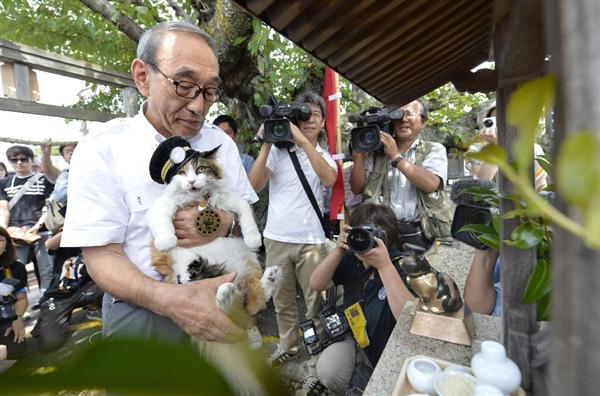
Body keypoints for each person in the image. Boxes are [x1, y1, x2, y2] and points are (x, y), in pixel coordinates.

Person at [61, 21, 257, 344]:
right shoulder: (102, 149)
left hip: (224, 292)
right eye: (183, 85)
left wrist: (226, 221)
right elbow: (100, 256)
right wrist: (172, 302)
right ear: (143, 77)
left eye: (209, 91)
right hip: (141, 312)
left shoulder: (221, 144)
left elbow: (244, 216)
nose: (198, 105)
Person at [248, 91, 338, 389]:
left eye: (316, 114)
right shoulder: (277, 151)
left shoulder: (322, 155)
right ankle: (289, 347)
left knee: (315, 306)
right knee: (282, 302)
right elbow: (254, 186)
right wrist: (266, 144)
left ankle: (316, 365)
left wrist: (301, 141)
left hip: (311, 242)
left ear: (324, 122)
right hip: (276, 238)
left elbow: (329, 179)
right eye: (305, 114)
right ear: (294, 118)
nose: (310, 119)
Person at [310, 203, 414, 394]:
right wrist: (339, 250)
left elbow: (409, 318)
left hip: (391, 347)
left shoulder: (402, 264)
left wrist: (384, 266)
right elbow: (316, 284)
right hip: (359, 341)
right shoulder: (351, 259)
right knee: (328, 369)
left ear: (387, 237)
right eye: (359, 234)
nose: (364, 241)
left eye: (372, 236)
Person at [350, 99, 448, 255]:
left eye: (409, 114)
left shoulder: (433, 149)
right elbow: (356, 188)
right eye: (398, 115)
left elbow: (432, 184)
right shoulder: (375, 151)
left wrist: (395, 156)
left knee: (418, 278)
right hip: (378, 229)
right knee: (380, 277)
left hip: (417, 233)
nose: (403, 119)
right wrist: (360, 156)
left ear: (423, 122)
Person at [0, 145, 58, 298]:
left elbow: (49, 205)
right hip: (15, 234)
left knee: (47, 269)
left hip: (42, 231)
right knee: (14, 269)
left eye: (23, 159)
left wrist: (37, 226)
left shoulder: (44, 180)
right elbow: (3, 210)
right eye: (14, 160)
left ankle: (46, 300)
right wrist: (4, 232)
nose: (19, 163)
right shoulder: (4, 183)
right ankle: (18, 304)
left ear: (31, 160)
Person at [466, 102, 548, 192]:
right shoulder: (477, 149)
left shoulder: (533, 149)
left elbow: (540, 186)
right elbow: (482, 185)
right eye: (495, 120)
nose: (501, 125)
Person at [0, 226, 28, 358]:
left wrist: (18, 318)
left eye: (0, 239)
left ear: (6, 245)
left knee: (16, 347)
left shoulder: (16, 268)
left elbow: (21, 298)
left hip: (4, 318)